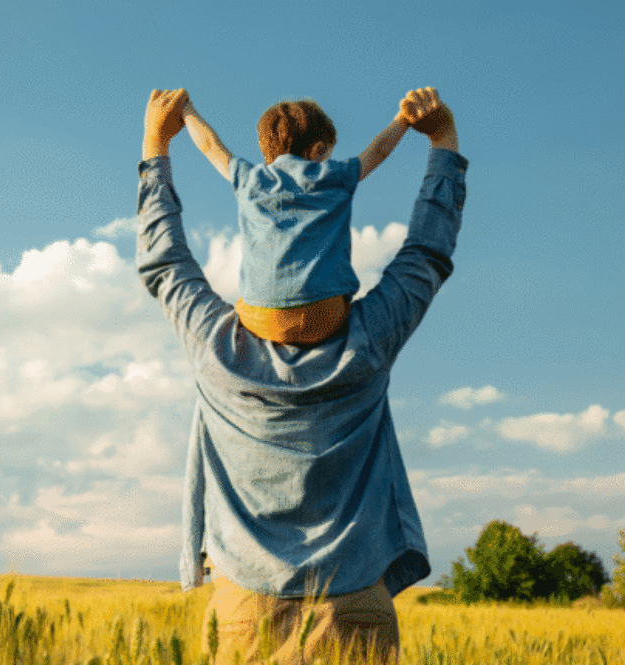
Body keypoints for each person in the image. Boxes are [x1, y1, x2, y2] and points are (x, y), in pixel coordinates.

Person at [136, 88, 466, 664]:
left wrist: (156, 144)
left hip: (244, 615)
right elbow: (426, 254)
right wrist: (442, 142)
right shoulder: (370, 342)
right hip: (355, 611)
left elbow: (165, 262)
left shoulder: (216, 351)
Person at [182, 96, 411, 345]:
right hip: (325, 315)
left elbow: (209, 146)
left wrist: (187, 110)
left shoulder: (250, 179)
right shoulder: (334, 175)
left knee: (241, 308)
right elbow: (379, 150)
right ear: (318, 150)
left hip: (263, 319)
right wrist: (403, 119)